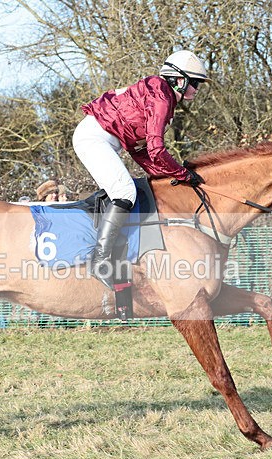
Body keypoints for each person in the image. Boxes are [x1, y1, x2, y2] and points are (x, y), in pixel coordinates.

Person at [73, 50, 209, 289]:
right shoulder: (162, 98)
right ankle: (99, 260)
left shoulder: (161, 95)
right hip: (94, 138)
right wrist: (182, 174)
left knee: (129, 189)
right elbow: (156, 149)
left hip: (102, 138)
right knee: (125, 192)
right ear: (179, 80)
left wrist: (163, 176)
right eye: (194, 82)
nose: (196, 89)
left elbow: (140, 150)